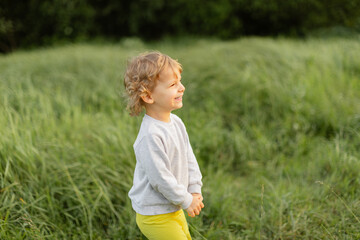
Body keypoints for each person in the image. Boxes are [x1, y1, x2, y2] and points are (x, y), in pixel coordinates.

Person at [124, 51, 204, 240]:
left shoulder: (176, 122)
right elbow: (161, 179)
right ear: (148, 96)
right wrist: (186, 200)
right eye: (173, 85)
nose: (182, 88)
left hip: (173, 206)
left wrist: (194, 188)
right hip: (155, 214)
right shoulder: (150, 135)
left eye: (180, 82)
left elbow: (188, 158)